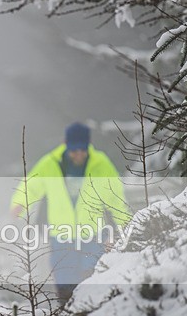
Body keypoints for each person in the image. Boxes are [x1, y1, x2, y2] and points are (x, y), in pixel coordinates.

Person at [10, 122, 130, 303]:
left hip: (93, 231)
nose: (78, 154)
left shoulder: (101, 164)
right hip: (61, 233)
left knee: (92, 273)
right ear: (66, 145)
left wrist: (125, 225)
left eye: (82, 150)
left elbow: (115, 198)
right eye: (74, 150)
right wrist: (19, 204)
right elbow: (31, 186)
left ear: (88, 145)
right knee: (65, 276)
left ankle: (91, 310)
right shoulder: (50, 163)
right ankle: (67, 310)